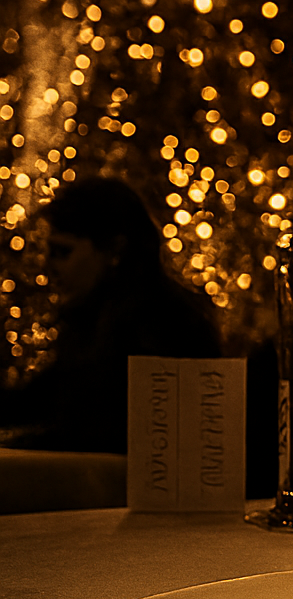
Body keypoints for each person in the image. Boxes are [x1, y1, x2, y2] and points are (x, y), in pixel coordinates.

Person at [0, 177, 219, 453]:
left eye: (62, 252)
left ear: (115, 250)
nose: (48, 267)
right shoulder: (94, 323)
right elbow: (41, 400)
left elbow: (100, 438)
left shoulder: (158, 328)